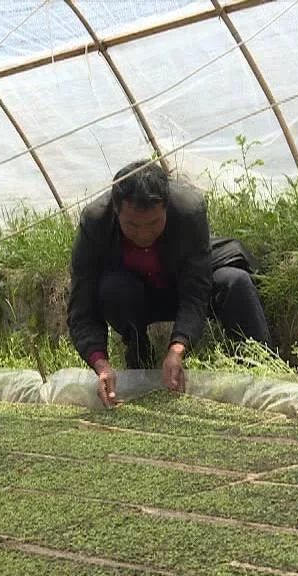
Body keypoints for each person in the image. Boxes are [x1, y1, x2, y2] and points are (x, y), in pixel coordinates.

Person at [67, 159, 274, 408]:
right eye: (131, 225)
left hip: (181, 283)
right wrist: (100, 365)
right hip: (138, 293)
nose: (143, 234)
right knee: (112, 289)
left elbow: (196, 289)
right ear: (116, 211)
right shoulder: (96, 221)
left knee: (235, 281)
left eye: (154, 223)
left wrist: (177, 349)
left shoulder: (188, 210)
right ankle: (140, 358)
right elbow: (82, 304)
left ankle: (263, 371)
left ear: (165, 208)